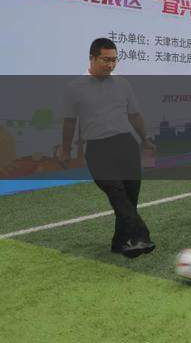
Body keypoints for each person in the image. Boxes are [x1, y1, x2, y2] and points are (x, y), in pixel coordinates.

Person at [61, 38, 155, 258]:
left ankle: (120, 242)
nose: (111, 65)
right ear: (92, 58)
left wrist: (146, 139)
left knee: (130, 197)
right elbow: (69, 122)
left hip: (126, 144)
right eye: (106, 60)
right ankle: (141, 236)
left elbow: (134, 115)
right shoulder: (74, 88)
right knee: (117, 194)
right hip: (97, 148)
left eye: (114, 60)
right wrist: (65, 149)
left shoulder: (123, 84)